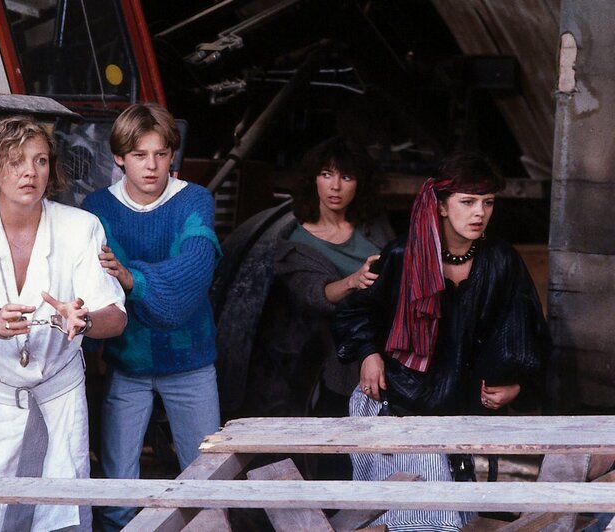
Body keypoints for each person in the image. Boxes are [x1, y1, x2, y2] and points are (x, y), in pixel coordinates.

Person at [0, 115, 127, 531]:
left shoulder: (80, 227)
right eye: (15, 160)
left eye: (40, 160)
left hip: (58, 397)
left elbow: (115, 317)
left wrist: (84, 321)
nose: (30, 172)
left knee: (61, 517)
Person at [333, 152, 549, 531]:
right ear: (443, 206)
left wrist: (517, 386)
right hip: (397, 403)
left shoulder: (501, 261)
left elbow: (526, 332)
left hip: (459, 412)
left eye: (488, 202)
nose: (479, 212)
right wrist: (368, 354)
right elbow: (356, 311)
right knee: (414, 519)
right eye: (467, 201)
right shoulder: (402, 255)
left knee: (446, 519)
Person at [82, 102, 222, 531]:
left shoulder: (194, 199)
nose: (152, 165)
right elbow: (88, 284)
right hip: (128, 361)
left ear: (172, 155)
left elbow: (195, 269)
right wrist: (93, 348)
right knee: (117, 487)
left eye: (161, 154)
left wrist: (130, 278)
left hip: (190, 363)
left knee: (207, 482)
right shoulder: (97, 207)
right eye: (139, 154)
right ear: (119, 157)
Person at [234, 136, 392, 429]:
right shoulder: (297, 242)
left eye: (346, 177)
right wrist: (353, 280)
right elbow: (316, 292)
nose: (335, 186)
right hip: (335, 352)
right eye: (326, 175)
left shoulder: (372, 226)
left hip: (387, 338)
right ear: (313, 180)